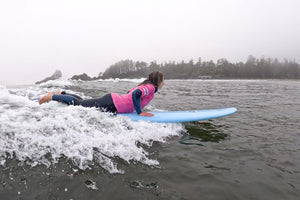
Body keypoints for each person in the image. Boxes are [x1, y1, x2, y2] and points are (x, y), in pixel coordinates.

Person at [39, 71, 164, 117]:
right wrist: (139, 112)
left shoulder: (145, 85)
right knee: (78, 104)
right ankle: (51, 96)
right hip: (112, 103)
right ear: (159, 81)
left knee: (82, 101)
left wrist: (133, 106)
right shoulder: (151, 88)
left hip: (112, 101)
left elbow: (130, 93)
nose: (164, 82)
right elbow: (136, 94)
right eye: (163, 80)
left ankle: (62, 93)